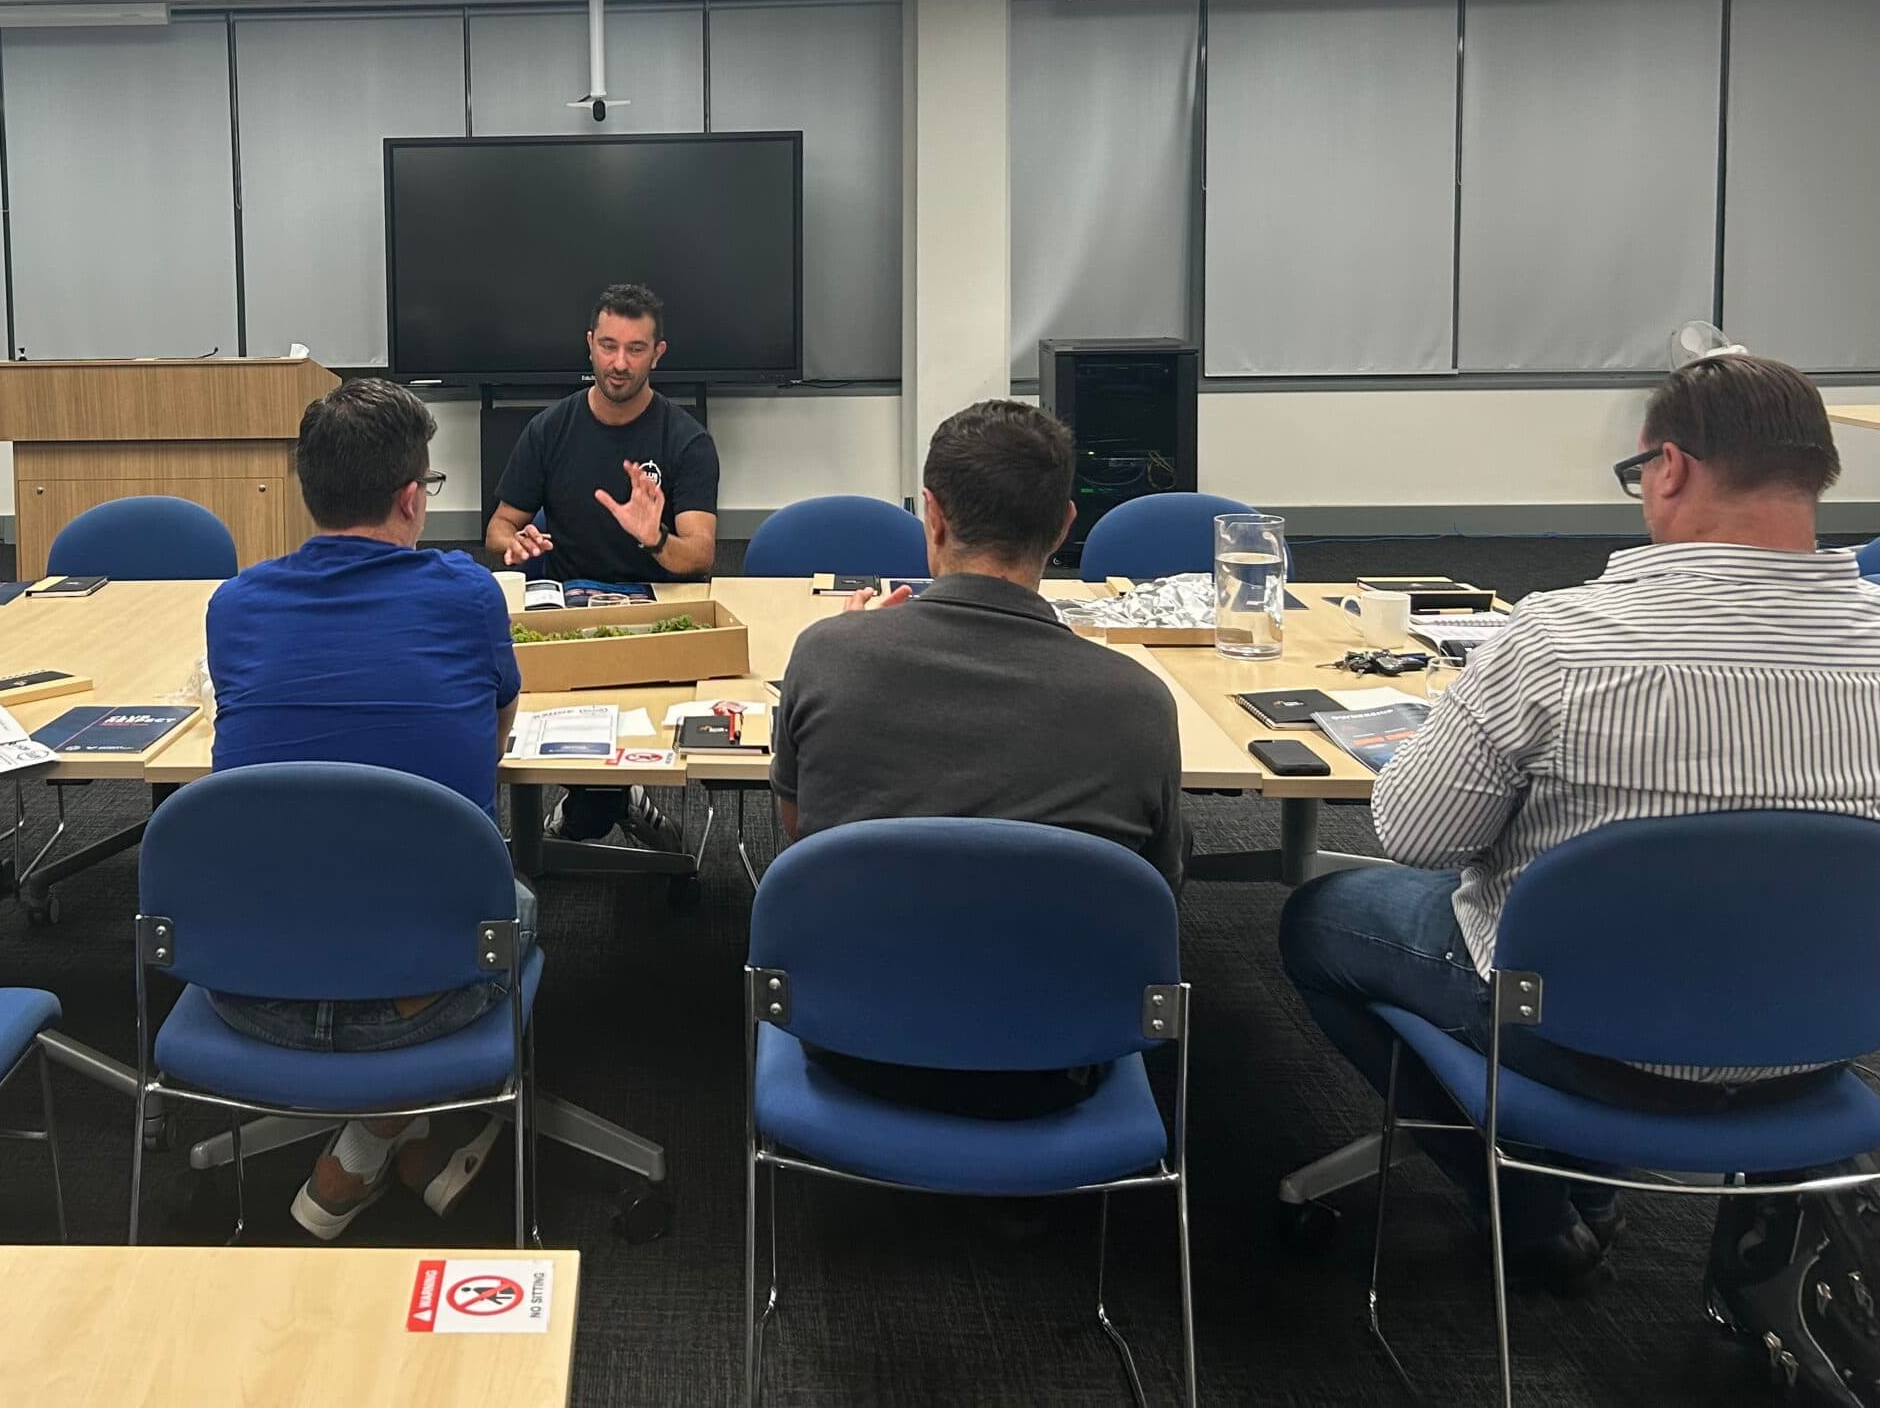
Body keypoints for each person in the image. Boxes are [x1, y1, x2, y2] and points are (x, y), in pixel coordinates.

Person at [1280, 353, 1880, 1293]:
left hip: (1582, 1032)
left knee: (1318, 918)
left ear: (1669, 467)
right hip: (1823, 1033)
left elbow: (1416, 834)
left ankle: (1534, 1208)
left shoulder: (1558, 639)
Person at [771, 398, 1185, 1117]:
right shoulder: (1141, 702)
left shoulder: (827, 653)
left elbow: (800, 829)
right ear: (1064, 525)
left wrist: (849, 651)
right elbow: (1158, 891)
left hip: (850, 1043)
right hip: (1060, 1061)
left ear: (931, 516)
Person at [206, 377, 532, 1239]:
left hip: (248, 979)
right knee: (517, 899)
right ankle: (387, 1130)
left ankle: (380, 1142)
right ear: (412, 497)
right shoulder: (468, 595)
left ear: (308, 493)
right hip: (425, 988)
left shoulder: (235, 606)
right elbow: (493, 739)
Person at [485, 283, 718, 847]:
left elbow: (700, 554)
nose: (619, 363)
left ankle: (590, 809)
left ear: (658, 354)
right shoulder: (549, 429)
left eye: (635, 349)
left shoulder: (686, 440)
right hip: (568, 611)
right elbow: (498, 527)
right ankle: (611, 801)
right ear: (590, 344)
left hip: (657, 614)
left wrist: (654, 537)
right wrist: (516, 542)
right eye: (608, 346)